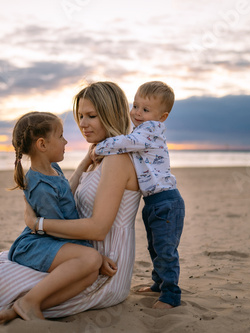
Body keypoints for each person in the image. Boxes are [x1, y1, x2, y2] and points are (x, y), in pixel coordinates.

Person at [0, 81, 141, 323]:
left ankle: (25, 303)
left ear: (111, 114)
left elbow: (99, 229)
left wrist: (38, 224)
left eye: (91, 116)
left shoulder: (117, 160)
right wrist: (83, 165)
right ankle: (23, 305)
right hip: (78, 252)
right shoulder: (99, 157)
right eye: (80, 116)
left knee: (0, 282)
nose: (82, 124)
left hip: (106, 266)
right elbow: (58, 195)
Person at [5, 111, 117, 320]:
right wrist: (96, 256)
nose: (66, 141)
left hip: (49, 238)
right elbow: (57, 229)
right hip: (36, 244)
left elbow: (66, 191)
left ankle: (26, 306)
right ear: (42, 145)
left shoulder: (53, 168)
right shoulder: (40, 186)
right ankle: (28, 301)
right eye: (60, 136)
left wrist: (85, 162)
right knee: (92, 260)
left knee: (91, 272)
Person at [95, 81, 185, 309]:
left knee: (166, 250)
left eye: (145, 110)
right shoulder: (141, 131)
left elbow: (126, 142)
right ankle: (158, 284)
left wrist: (98, 148)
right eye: (135, 106)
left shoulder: (149, 131)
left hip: (166, 201)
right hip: (154, 201)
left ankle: (171, 295)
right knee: (155, 247)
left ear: (161, 117)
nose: (137, 112)